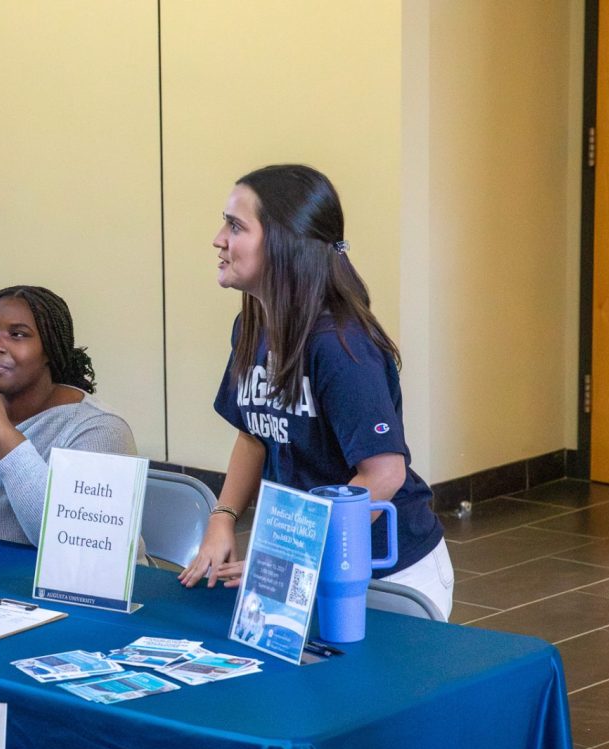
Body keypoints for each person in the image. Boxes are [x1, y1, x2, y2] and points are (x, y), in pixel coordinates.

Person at [180, 164, 452, 619]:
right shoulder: (252, 325)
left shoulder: (340, 344)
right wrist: (222, 518)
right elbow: (255, 434)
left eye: (235, 226)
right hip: (305, 562)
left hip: (384, 575)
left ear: (284, 243)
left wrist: (292, 560)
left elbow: (384, 475)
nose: (218, 239)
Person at [0, 285, 138, 544]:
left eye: (18, 334)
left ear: (50, 350)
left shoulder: (99, 429)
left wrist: (2, 431)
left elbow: (68, 543)